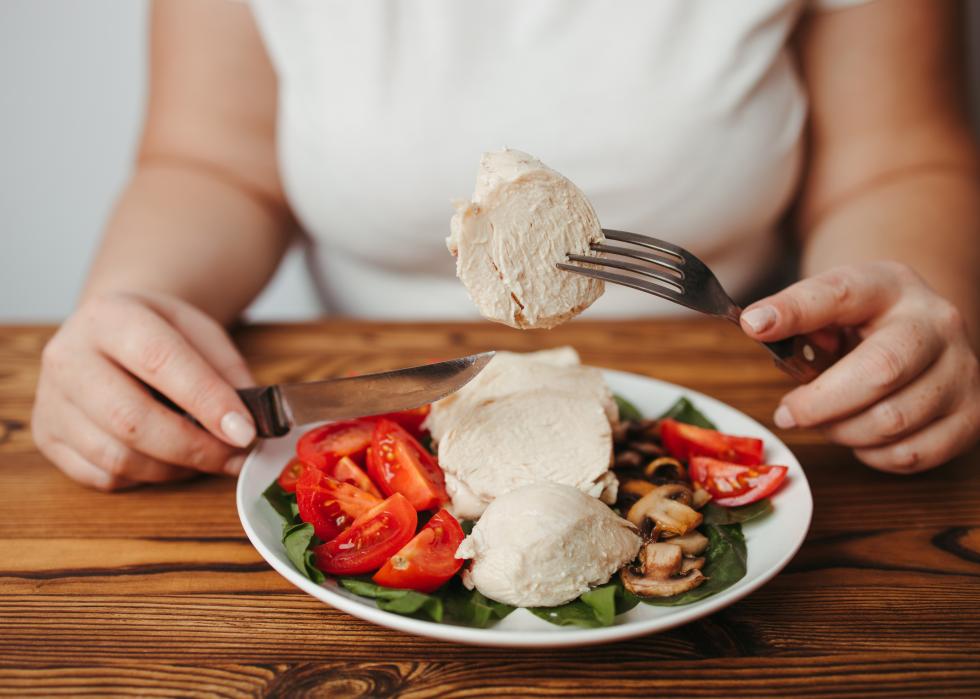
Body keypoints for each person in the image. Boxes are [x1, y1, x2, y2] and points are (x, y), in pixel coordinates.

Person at [32, 0, 979, 491]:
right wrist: (134, 307)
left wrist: (900, 317)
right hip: (375, 392)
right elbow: (212, 161)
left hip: (742, 389)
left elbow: (895, 157)